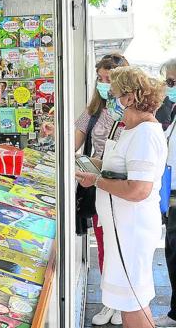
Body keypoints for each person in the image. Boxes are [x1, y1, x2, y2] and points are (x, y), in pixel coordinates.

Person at [76, 66, 167, 328]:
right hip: (122, 230)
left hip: (132, 231)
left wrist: (97, 180)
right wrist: (91, 165)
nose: (110, 100)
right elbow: (119, 169)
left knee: (133, 301)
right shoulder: (131, 129)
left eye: (114, 94)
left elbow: (139, 190)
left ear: (130, 97)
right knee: (130, 301)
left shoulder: (145, 134)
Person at [74, 53, 128, 326]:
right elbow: (75, 138)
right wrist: (54, 133)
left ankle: (124, 302)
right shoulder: (94, 109)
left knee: (124, 246)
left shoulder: (135, 113)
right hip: (97, 186)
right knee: (104, 243)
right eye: (101, 79)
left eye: (110, 79)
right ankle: (110, 301)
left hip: (125, 189)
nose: (105, 84)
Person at [154, 58, 176, 327]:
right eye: (167, 82)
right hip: (170, 192)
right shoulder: (169, 110)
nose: (168, 87)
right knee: (172, 251)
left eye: (172, 82)